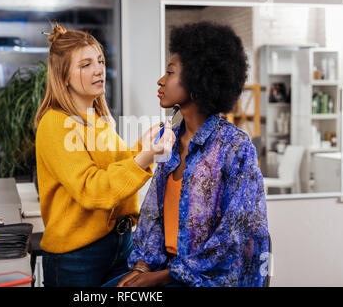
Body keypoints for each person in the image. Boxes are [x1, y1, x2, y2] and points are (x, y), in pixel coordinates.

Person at [103, 21, 270, 287]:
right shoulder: (169, 142)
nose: (161, 80)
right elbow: (152, 218)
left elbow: (232, 237)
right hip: (165, 272)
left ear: (197, 80)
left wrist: (161, 277)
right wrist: (142, 267)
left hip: (207, 281)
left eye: (170, 72)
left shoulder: (234, 147)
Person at [33, 24, 175, 287]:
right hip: (77, 258)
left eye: (99, 61)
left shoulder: (96, 119)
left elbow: (115, 168)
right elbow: (91, 189)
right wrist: (144, 157)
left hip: (120, 245)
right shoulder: (54, 124)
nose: (99, 69)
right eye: (85, 64)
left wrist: (141, 148)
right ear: (63, 76)